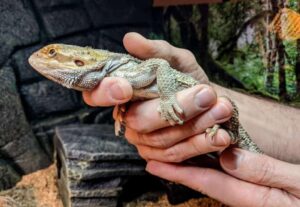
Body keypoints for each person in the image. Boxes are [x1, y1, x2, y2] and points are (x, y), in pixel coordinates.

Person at [83, 32, 300, 206]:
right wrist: (124, 106)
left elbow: (159, 65)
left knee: (231, 129)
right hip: (214, 119)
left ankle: (230, 132)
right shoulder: (120, 76)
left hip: (222, 121)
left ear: (81, 59)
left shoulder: (126, 70)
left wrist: (168, 98)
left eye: (54, 53)